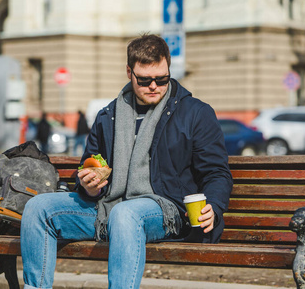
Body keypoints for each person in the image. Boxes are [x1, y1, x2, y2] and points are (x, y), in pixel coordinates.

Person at [20, 34, 233, 289]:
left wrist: (214, 204)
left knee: (125, 214)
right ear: (129, 72)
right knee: (38, 208)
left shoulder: (195, 113)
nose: (154, 86)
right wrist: (89, 186)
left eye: (162, 79)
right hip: (107, 207)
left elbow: (217, 172)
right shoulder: (108, 115)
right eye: (144, 80)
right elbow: (89, 165)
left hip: (167, 209)